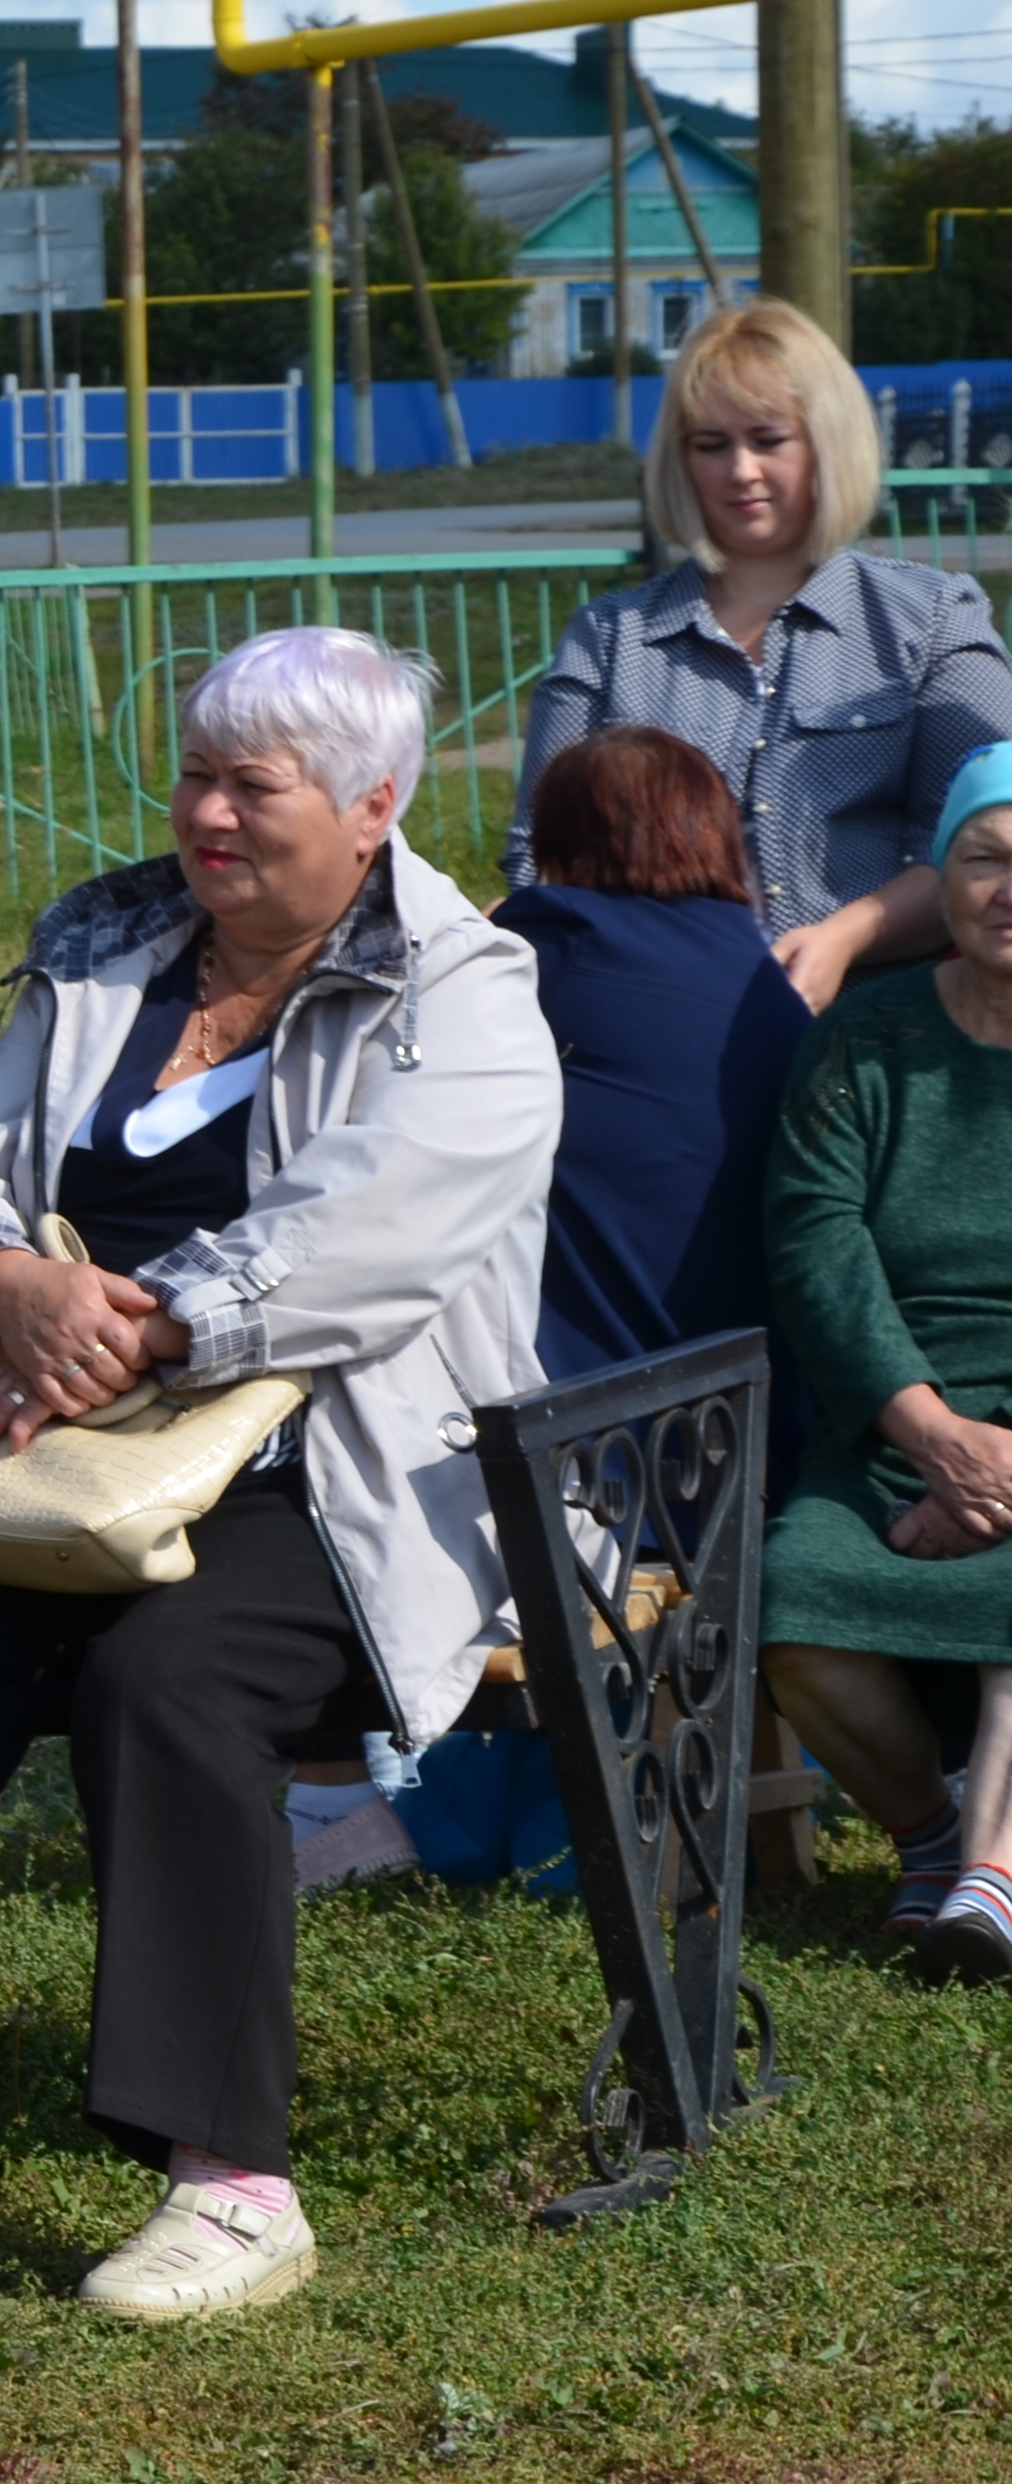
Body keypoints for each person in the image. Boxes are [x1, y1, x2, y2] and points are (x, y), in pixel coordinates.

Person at [0, 626, 557, 2324]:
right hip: (56, 1449)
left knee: (164, 1683)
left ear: (374, 802)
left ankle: (230, 2183)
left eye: (255, 784)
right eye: (193, 772)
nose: (206, 813)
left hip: (332, 1473)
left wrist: (136, 1326)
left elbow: (365, 1234)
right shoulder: (105, 943)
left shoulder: (462, 989)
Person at [509, 300, 1012, 1011]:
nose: (740, 470)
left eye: (768, 439)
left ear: (827, 444)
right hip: (658, 1027)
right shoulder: (608, 639)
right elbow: (537, 856)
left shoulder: (933, 620)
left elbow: (983, 845)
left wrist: (845, 938)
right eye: (711, 445)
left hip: (879, 1032)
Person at [756, 744, 1012, 1982]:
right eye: (982, 858)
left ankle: (991, 1877)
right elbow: (814, 1235)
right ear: (940, 878)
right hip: (891, 1418)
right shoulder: (867, 1039)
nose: (1008, 888)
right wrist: (926, 1436)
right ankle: (928, 1842)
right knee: (792, 1602)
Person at [497, 727, 813, 1383]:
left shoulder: (561, 940)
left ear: (559, 842)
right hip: (763, 1387)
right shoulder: (762, 972)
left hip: (599, 1400)